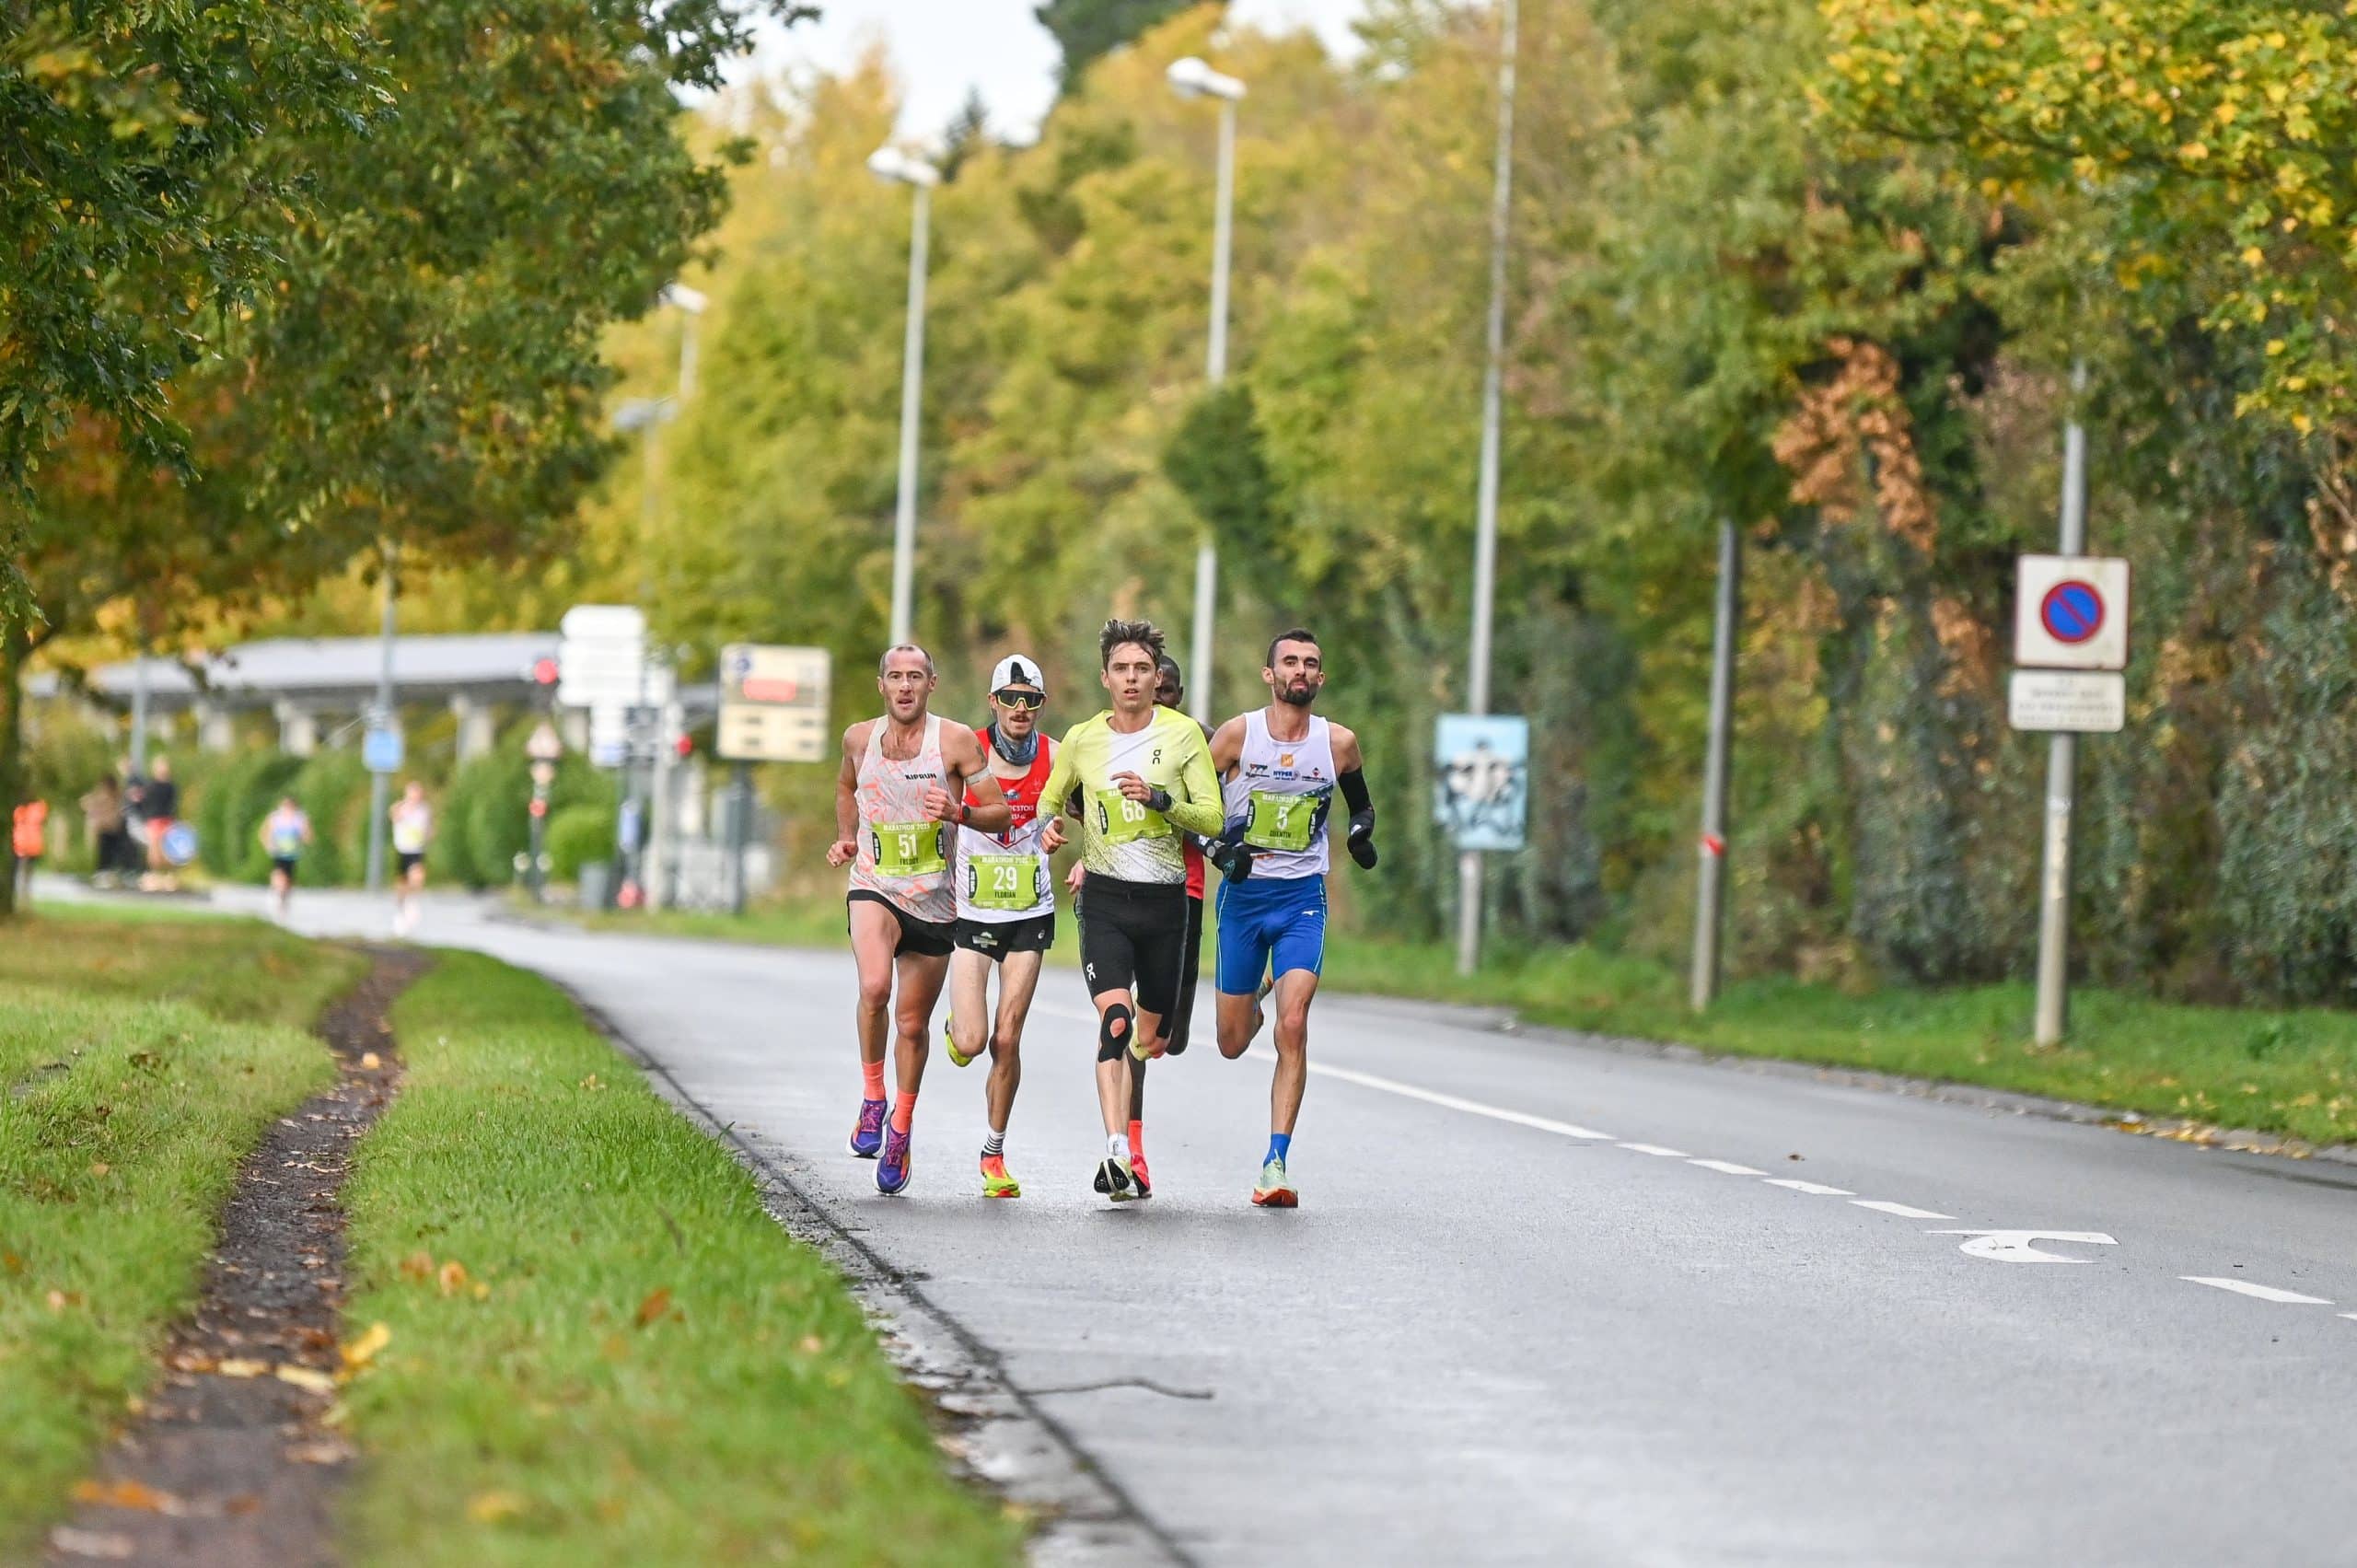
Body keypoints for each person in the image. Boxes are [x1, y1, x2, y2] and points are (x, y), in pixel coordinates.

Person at [1037, 619, 1225, 1203]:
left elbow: (1212, 818)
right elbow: (1051, 796)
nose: (1133, 678)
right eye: (1122, 669)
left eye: (1143, 669)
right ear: (1105, 678)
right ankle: (1118, 1151)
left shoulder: (1186, 735)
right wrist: (1049, 827)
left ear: (1156, 677)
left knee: (1153, 1036)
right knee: (1114, 1021)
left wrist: (1161, 801)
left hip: (1168, 904)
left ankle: (1129, 1119)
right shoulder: (1082, 738)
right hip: (1106, 900)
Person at [827, 645, 1010, 1196]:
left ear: (932, 683)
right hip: (874, 885)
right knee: (874, 986)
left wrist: (959, 813)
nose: (905, 687)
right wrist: (844, 835)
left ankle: (900, 1130)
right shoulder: (859, 739)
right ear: (881, 685)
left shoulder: (954, 742)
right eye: (895, 678)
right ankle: (872, 1097)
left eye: (915, 677)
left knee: (912, 1024)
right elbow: (844, 786)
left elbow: (999, 813)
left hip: (935, 901)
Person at [1207, 627, 1379, 1209]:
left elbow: (1363, 805)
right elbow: (1197, 806)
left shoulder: (1339, 744)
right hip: (1244, 899)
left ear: (1320, 678)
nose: (1300, 671)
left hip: (1303, 896)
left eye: (1310, 663)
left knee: (1294, 1024)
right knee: (1232, 1043)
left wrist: (1359, 835)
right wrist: (1220, 846)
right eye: (1290, 662)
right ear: (1270, 675)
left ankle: (1275, 1162)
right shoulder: (1237, 735)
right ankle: (1256, 990)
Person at [940, 656, 1058, 1199]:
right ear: (993, 702)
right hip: (973, 913)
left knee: (1007, 1039)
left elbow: (1081, 810)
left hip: (1029, 914)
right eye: (1010, 698)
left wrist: (1064, 838)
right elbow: (928, 808)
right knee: (973, 1039)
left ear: (1040, 705)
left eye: (1029, 700)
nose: (1019, 709)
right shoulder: (968, 752)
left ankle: (994, 1153)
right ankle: (956, 1030)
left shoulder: (1056, 757)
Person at [1103, 652, 1213, 1200]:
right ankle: (1132, 1155)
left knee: (1169, 1039)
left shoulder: (1199, 740)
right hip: (1123, 893)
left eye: (1168, 690)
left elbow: (1223, 816)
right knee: (1126, 1028)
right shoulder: (1111, 741)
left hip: (1182, 895)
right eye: (1152, 686)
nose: (1158, 697)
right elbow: (1083, 806)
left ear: (1177, 693)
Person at [258, 795, 314, 921]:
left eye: (289, 806)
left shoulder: (299, 819)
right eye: (285, 806)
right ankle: (276, 893)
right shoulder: (275, 818)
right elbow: (264, 832)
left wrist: (305, 837)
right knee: (279, 873)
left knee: (288, 878)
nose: (287, 809)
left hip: (292, 853)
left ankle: (284, 896)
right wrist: (268, 844)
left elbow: (307, 835)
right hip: (278, 852)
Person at [389, 781, 434, 936]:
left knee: (418, 876)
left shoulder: (424, 810)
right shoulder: (401, 808)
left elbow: (429, 828)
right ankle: (401, 909)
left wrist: (428, 836)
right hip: (403, 849)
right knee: (402, 884)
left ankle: (412, 903)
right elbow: (393, 816)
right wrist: (405, 805)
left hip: (417, 849)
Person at [138, 756, 180, 891]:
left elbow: (173, 806)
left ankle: (169, 877)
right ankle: (154, 876)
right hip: (154, 821)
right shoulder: (150, 786)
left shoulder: (171, 787)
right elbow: (145, 805)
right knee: (154, 851)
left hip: (167, 821)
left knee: (168, 851)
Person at [81, 775, 126, 889]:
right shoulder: (104, 795)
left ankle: (106, 875)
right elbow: (86, 803)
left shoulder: (115, 795)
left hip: (111, 828)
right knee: (105, 854)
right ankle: (102, 876)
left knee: (109, 853)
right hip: (106, 828)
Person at [11, 796, 47, 904]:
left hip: (23, 843)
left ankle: (23, 897)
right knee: (26, 872)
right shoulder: (39, 807)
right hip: (28, 843)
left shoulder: (20, 808)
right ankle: (24, 897)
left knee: (23, 871)